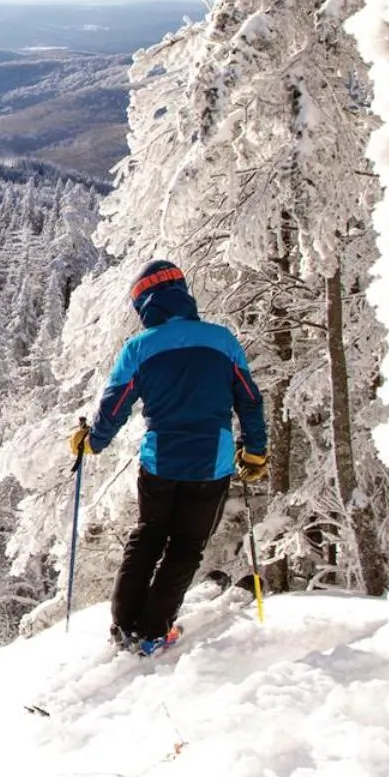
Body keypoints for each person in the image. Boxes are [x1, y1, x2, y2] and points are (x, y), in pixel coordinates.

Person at [66, 259, 267, 657]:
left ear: (145, 305)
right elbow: (249, 399)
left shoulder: (138, 348)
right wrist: (255, 451)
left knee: (147, 536)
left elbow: (114, 407)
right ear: (183, 293)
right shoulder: (222, 340)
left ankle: (123, 625)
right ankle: (154, 631)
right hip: (212, 464)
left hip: (159, 462)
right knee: (186, 546)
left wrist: (93, 442)